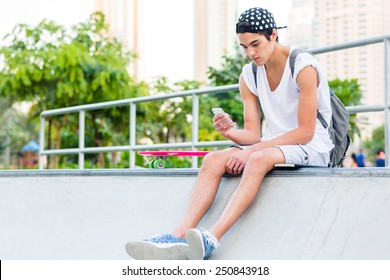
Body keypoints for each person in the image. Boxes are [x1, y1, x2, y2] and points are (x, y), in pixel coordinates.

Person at [125, 7, 334, 260]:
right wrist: (230, 133)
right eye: (244, 47)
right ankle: (178, 236)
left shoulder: (303, 66)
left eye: (255, 44)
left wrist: (253, 152)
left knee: (257, 158)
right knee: (212, 160)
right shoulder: (249, 74)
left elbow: (305, 132)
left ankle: (212, 237)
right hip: (273, 144)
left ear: (274, 35)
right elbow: (254, 135)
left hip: (314, 146)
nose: (251, 53)